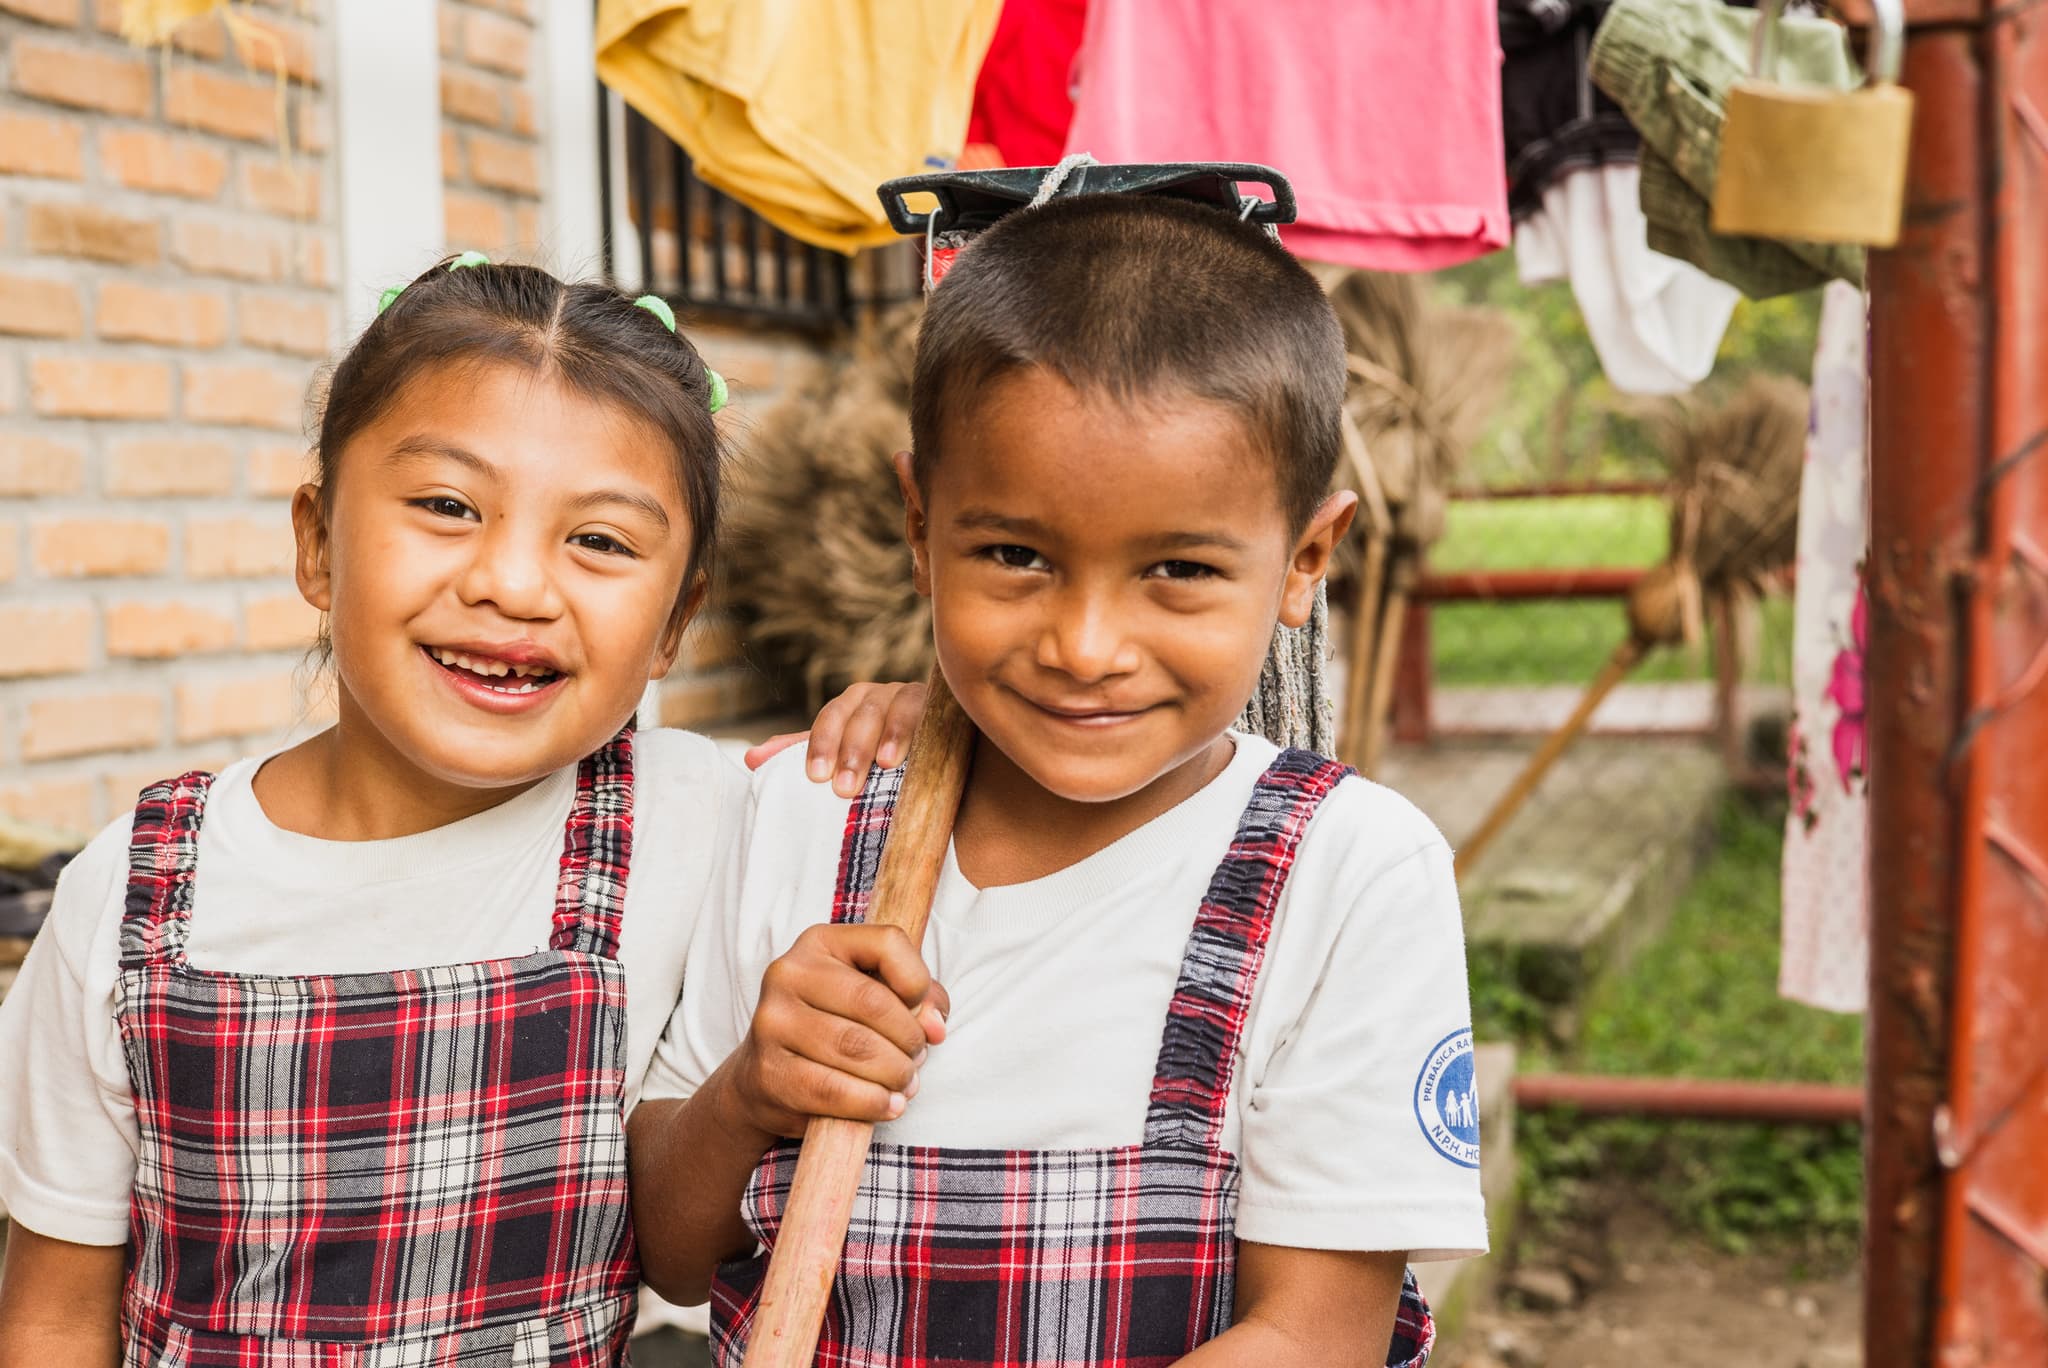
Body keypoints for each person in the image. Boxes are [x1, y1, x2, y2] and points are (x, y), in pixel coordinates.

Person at [0, 254, 917, 1367]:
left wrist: (915, 708)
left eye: (600, 541)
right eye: (446, 505)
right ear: (317, 544)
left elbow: (948, 787)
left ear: (676, 622)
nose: (514, 585)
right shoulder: (133, 890)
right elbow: (53, 1310)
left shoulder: (710, 818)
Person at [630, 193, 1488, 1366]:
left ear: (1304, 560)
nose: (1084, 645)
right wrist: (748, 1098)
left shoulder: (1348, 875)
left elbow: (1313, 1336)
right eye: (1015, 556)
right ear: (919, 521)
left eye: (1176, 569)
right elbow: (671, 1254)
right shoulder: (803, 816)